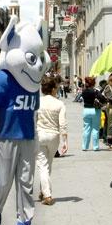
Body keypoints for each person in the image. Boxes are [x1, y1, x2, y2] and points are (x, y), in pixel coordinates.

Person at [0, 16, 48, 225]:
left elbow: (34, 113)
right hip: (5, 137)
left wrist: (36, 138)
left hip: (27, 137)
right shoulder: (1, 79)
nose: (38, 65)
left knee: (27, 183)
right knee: (4, 181)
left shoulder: (33, 85)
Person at [35, 76, 68, 206]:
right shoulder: (60, 104)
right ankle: (45, 192)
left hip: (40, 134)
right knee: (48, 165)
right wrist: (65, 141)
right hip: (54, 136)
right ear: (54, 89)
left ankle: (46, 193)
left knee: (42, 165)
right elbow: (63, 124)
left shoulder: (38, 102)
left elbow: (33, 119)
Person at [80, 76, 107, 151]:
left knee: (86, 129)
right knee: (95, 129)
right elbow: (102, 98)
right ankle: (95, 147)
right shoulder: (95, 91)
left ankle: (85, 147)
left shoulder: (84, 91)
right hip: (95, 110)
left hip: (86, 110)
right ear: (93, 83)